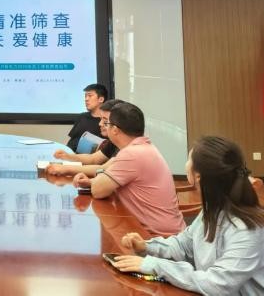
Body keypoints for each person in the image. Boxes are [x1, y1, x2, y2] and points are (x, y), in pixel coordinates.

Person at [115, 136, 264, 295]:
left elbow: (217, 285)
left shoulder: (247, 229)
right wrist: (146, 247)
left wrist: (156, 265)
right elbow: (184, 246)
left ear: (198, 176)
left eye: (189, 159)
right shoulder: (214, 207)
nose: (186, 164)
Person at [73, 102, 184, 236]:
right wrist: (91, 182)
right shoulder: (144, 147)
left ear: (115, 129)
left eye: (106, 123)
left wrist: (97, 181)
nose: (102, 125)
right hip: (169, 231)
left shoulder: (131, 154)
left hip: (158, 237)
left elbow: (98, 191)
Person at [48, 99, 124, 177]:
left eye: (105, 121)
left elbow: (103, 170)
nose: (100, 124)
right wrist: (67, 156)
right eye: (101, 119)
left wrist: (66, 169)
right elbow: (93, 159)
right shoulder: (114, 141)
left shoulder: (126, 147)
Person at [65, 83, 107, 152]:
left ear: (101, 99)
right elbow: (72, 140)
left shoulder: (106, 122)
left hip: (89, 157)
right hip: (69, 155)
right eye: (85, 96)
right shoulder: (81, 117)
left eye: (90, 96)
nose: (86, 99)